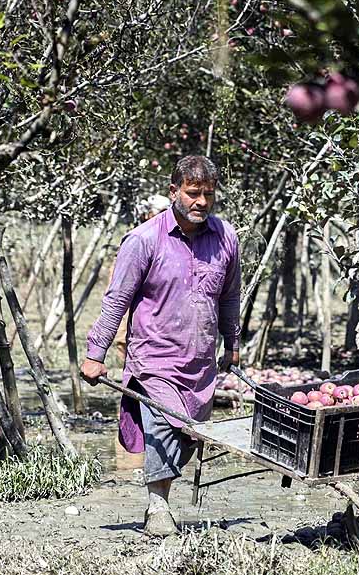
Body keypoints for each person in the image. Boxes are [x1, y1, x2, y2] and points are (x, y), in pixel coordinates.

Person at [81, 155, 240, 537]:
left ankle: (162, 497)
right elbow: (117, 299)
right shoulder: (144, 240)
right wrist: (95, 354)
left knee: (187, 432)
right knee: (164, 424)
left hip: (200, 361)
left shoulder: (226, 238)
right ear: (174, 192)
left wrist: (232, 345)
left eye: (208, 194)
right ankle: (158, 507)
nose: (201, 201)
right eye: (192, 193)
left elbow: (230, 296)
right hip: (155, 357)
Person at [111, 194, 171, 473]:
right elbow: (119, 295)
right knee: (137, 387)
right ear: (147, 215)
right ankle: (137, 443)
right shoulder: (137, 241)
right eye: (158, 212)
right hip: (136, 331)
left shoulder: (166, 242)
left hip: (160, 335)